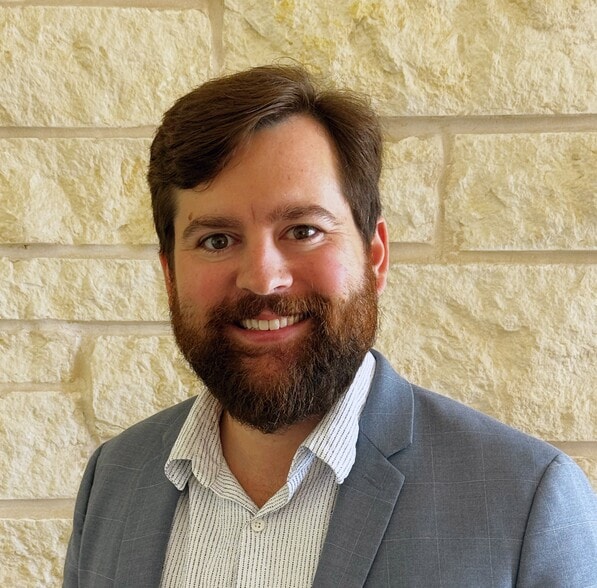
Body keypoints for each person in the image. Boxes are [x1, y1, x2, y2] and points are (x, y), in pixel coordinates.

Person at [63, 65, 597, 587]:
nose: (263, 279)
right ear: (169, 274)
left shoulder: (526, 502)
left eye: (303, 230)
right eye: (216, 240)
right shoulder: (113, 479)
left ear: (375, 256)